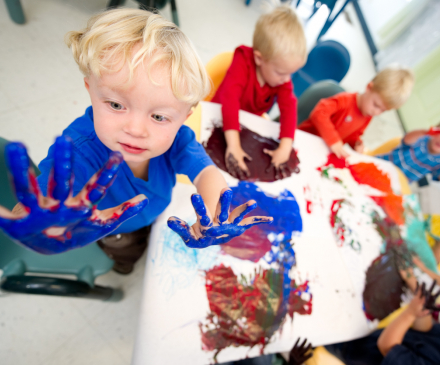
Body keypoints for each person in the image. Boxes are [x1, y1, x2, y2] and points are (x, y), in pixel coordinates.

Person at [0, 9, 272, 274]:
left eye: (159, 116)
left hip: (152, 212)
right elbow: (49, 193)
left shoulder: (177, 139)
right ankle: (121, 265)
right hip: (116, 232)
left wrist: (214, 218)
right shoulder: (79, 151)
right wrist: (40, 223)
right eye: (116, 104)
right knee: (127, 253)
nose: (135, 129)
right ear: (90, 90)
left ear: (183, 118)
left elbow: (207, 173)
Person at [211, 5, 307, 178]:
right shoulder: (242, 61)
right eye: (281, 72)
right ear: (259, 58)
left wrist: (285, 146)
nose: (287, 79)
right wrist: (233, 145)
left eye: (290, 74)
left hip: (246, 125)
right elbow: (230, 101)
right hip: (217, 118)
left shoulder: (280, 77)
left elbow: (289, 108)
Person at [298, 65, 414, 159]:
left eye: (383, 111)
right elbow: (319, 113)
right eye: (376, 105)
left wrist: (356, 144)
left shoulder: (367, 114)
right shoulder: (345, 101)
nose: (376, 112)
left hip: (320, 150)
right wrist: (333, 141)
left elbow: (353, 133)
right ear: (369, 87)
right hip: (303, 140)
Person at [326, 280, 440, 365]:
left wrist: (411, 313)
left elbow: (387, 346)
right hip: (368, 330)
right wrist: (424, 307)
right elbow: (426, 330)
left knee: (322, 329)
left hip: (356, 349)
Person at [376, 125, 440, 183]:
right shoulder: (421, 139)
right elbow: (407, 139)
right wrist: (427, 132)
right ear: (436, 130)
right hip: (381, 164)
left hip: (397, 183)